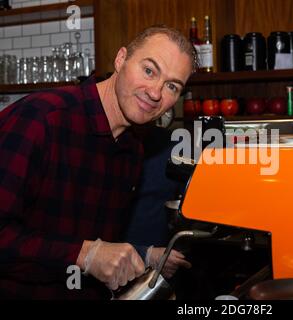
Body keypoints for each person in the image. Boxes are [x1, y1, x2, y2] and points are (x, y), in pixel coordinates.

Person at [0, 26, 195, 299]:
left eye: (172, 86)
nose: (155, 93)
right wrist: (84, 255)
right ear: (120, 59)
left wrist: (136, 255)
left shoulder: (131, 149)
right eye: (149, 71)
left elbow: (98, 245)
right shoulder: (42, 118)